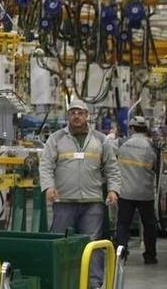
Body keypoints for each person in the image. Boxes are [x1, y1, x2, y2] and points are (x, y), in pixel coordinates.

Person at [40, 98, 122, 289]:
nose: (76, 116)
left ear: (87, 116)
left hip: (92, 202)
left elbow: (112, 167)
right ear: (68, 115)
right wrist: (48, 187)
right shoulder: (56, 138)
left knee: (92, 244)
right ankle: (59, 280)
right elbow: (45, 165)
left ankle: (93, 283)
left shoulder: (101, 140)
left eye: (80, 113)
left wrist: (113, 189)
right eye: (73, 113)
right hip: (63, 201)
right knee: (61, 243)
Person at [115, 116, 159, 264]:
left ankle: (121, 255)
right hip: (145, 193)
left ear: (131, 128)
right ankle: (150, 256)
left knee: (123, 224)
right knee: (149, 226)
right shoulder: (151, 146)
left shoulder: (122, 143)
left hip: (125, 192)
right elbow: (156, 167)